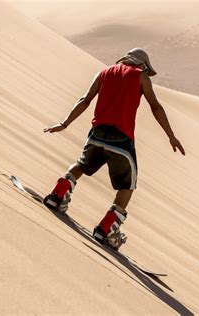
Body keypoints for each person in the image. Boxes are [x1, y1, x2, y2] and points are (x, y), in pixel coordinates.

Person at [43, 48, 185, 250]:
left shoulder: (104, 72)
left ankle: (58, 195)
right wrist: (171, 135)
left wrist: (64, 123)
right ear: (142, 65)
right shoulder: (141, 77)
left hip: (97, 133)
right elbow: (155, 106)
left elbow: (85, 100)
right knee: (127, 186)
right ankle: (107, 228)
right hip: (121, 140)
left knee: (82, 165)